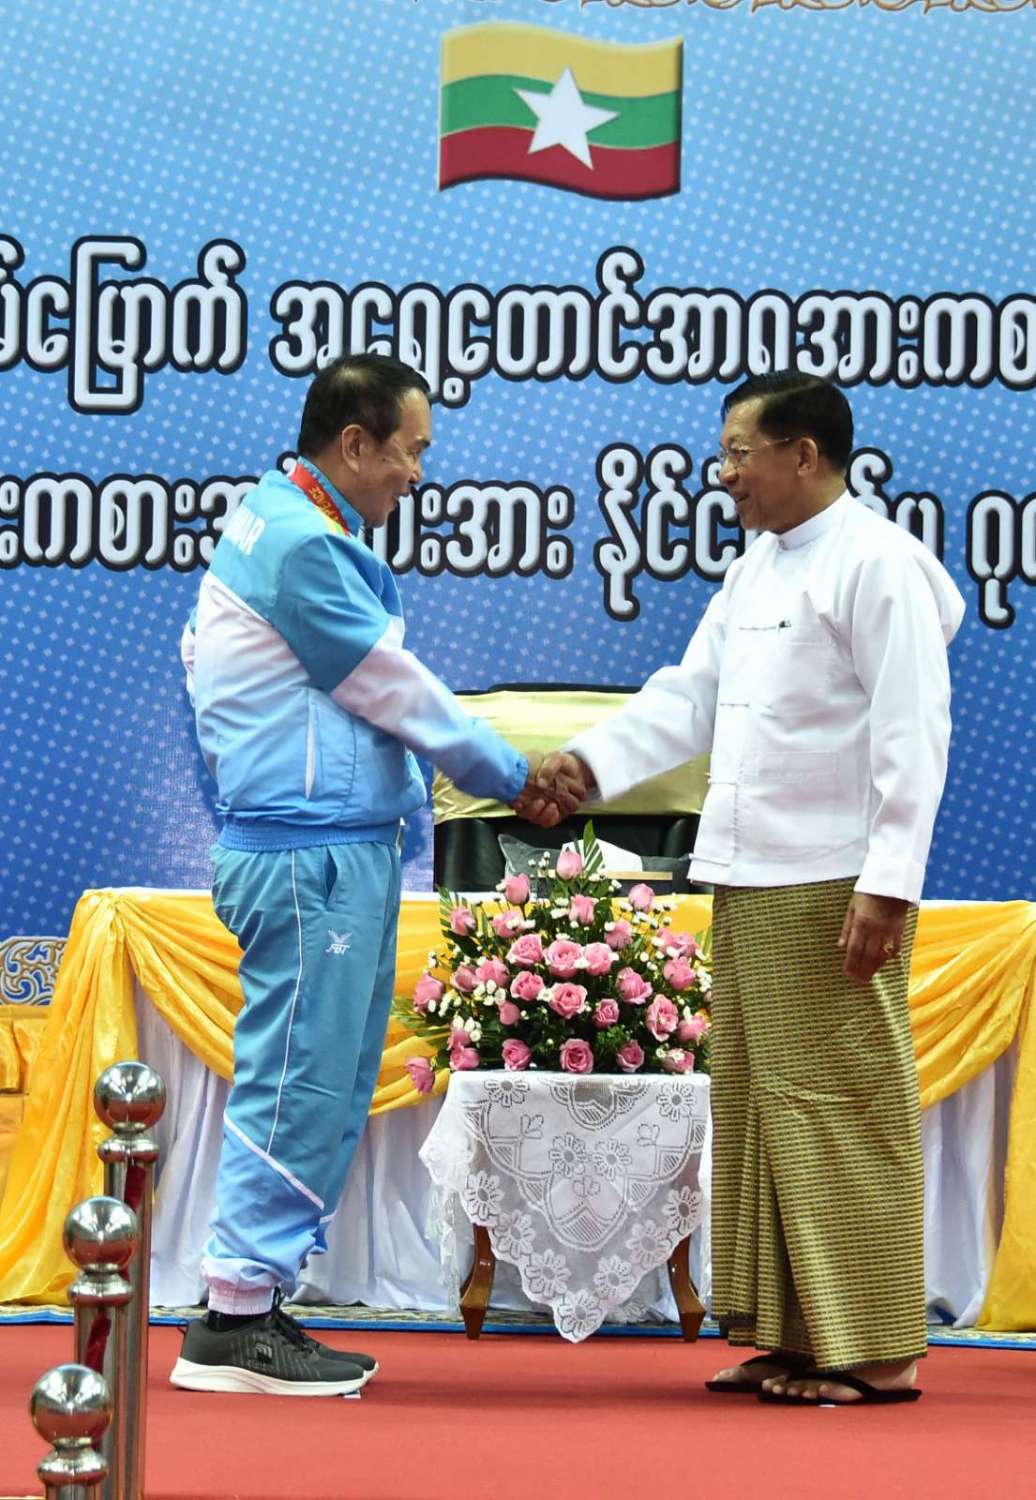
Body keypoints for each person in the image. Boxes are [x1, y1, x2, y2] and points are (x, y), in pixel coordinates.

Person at [539, 371, 964, 1406]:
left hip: (836, 883)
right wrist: (588, 765)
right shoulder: (756, 568)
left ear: (802, 455)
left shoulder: (876, 563)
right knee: (763, 1112)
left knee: (841, 1108)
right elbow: (689, 700)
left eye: (738, 452)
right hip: (748, 873)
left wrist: (888, 883)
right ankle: (792, 1332)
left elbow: (914, 732)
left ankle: (877, 1346)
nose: (722, 473)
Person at [172, 354, 573, 1397]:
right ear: (355, 443)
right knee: (299, 1080)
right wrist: (510, 774)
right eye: (411, 450)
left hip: (321, 845)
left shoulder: (284, 522)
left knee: (320, 1079)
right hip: (307, 853)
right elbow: (391, 687)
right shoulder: (301, 544)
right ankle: (232, 1319)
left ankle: (252, 1298)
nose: (417, 473)